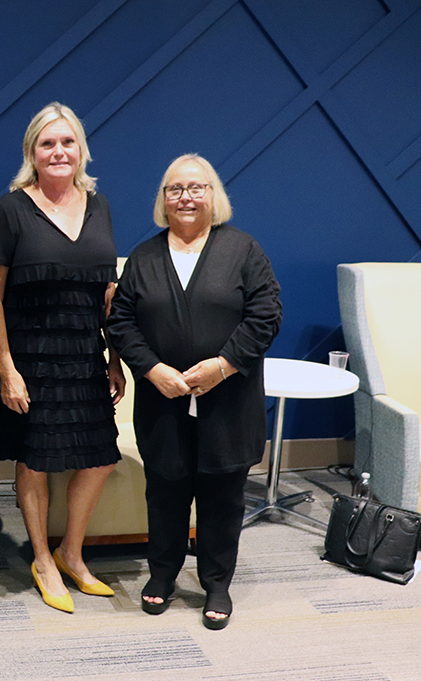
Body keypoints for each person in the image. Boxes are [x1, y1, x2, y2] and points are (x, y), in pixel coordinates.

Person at [107, 154, 282, 630]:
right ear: (163, 200)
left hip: (228, 400)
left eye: (196, 188)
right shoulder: (144, 257)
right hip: (163, 400)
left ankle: (217, 582)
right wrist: (151, 369)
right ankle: (162, 575)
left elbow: (266, 316)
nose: (185, 197)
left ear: (213, 196)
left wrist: (223, 366)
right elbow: (120, 320)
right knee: (164, 488)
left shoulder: (244, 250)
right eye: (175, 189)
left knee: (223, 494)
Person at [0, 103, 123, 613]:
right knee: (35, 461)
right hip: (29, 359)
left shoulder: (99, 205)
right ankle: (42, 558)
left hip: (86, 355)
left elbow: (105, 288)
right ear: (32, 153)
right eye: (47, 144)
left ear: (81, 150)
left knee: (101, 457)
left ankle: (71, 552)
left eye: (67, 142)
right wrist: (6, 369)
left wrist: (113, 358)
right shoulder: (11, 209)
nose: (58, 152)